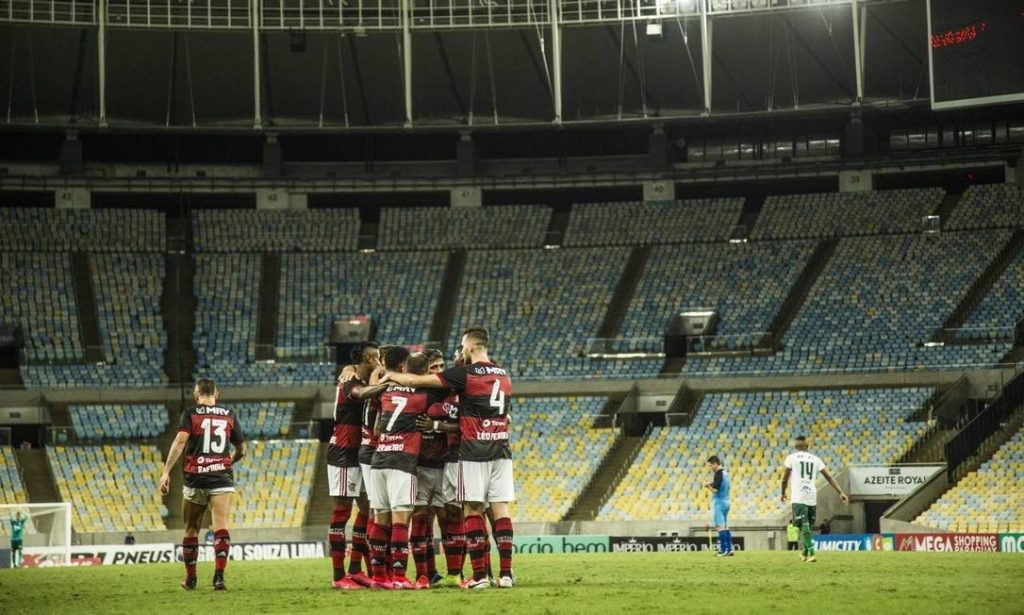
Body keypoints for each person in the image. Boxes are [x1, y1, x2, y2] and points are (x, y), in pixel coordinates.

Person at [384, 326, 515, 589]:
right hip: (501, 450)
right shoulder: (504, 375)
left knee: (472, 510)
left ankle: (479, 576)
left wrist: (389, 374)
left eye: (463, 346)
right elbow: (506, 416)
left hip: (474, 451)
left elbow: (415, 382)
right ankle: (506, 575)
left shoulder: (465, 374)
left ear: (469, 347)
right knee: (500, 510)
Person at [368, 348, 445, 590]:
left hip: (379, 461)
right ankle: (400, 576)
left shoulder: (386, 390)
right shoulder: (425, 394)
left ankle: (379, 576)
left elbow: (375, 426)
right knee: (401, 522)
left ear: (404, 368)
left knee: (380, 521)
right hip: (403, 462)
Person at [159, 378, 245, 590]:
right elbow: (242, 450)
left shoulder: (190, 413)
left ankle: (191, 579)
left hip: (196, 477)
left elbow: (180, 442)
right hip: (221, 477)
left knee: (191, 529)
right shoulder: (229, 415)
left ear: (196, 395)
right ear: (217, 394)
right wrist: (226, 462)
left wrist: (166, 471)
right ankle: (219, 577)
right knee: (221, 527)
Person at [327, 342, 389, 590]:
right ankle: (338, 575)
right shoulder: (349, 382)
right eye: (377, 357)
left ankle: (355, 569)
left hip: (361, 454)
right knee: (342, 511)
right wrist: (387, 384)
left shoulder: (357, 377)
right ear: (369, 359)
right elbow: (361, 394)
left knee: (366, 509)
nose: (380, 362)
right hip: (343, 452)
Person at [780, 435, 849, 563]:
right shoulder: (816, 459)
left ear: (795, 446)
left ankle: (812, 554)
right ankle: (804, 553)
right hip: (811, 495)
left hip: (799, 496)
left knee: (804, 525)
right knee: (809, 527)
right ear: (807, 446)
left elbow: (785, 479)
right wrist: (840, 492)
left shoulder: (791, 458)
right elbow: (829, 477)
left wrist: (783, 492)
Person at [702, 455, 733, 556]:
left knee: (720, 527)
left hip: (719, 502)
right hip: (727, 501)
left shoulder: (718, 474)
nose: (710, 468)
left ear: (715, 464)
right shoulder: (725, 473)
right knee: (726, 527)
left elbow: (715, 490)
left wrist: (707, 486)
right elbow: (720, 483)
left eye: (711, 465)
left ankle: (723, 550)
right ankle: (729, 550)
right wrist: (710, 483)